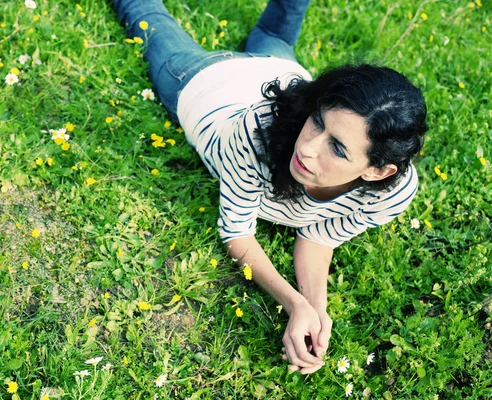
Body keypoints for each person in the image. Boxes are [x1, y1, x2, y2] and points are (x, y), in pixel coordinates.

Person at [113, 0, 428, 375]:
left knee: (274, 35)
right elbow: (237, 234)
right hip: (204, 80)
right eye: (317, 122)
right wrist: (293, 304)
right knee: (142, 13)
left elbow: (319, 237)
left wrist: (314, 308)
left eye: (338, 148)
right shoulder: (256, 132)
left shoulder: (392, 192)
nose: (307, 147)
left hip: (279, 69)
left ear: (377, 171)